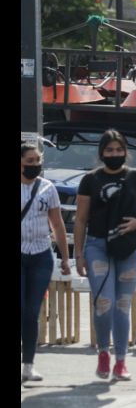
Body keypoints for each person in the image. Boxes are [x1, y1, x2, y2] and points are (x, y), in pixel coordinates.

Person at [74, 129, 136, 381]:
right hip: (97, 246)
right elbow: (80, 220)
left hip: (129, 248)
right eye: (109, 150)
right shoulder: (90, 180)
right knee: (104, 303)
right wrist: (78, 255)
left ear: (126, 151)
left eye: (119, 149)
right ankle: (104, 352)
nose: (114, 154)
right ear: (101, 153)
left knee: (123, 305)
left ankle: (122, 361)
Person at [21, 143, 70, 383]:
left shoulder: (47, 188)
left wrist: (65, 258)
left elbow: (57, 224)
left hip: (41, 254)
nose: (34, 166)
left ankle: (28, 364)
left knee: (31, 312)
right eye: (29, 161)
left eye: (37, 161)